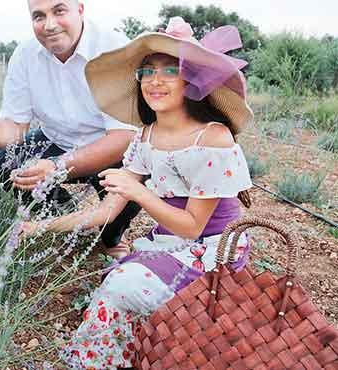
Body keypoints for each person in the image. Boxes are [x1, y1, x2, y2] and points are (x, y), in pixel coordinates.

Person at [23, 17, 255, 368]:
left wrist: (138, 191)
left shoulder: (213, 137)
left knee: (119, 286)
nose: (155, 81)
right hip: (170, 244)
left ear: (192, 81)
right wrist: (37, 229)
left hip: (211, 252)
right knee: (118, 285)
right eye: (147, 72)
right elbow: (105, 212)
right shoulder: (145, 137)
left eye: (170, 71)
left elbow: (193, 227)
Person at [0, 0, 140, 256]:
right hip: (57, 139)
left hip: (111, 146)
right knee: (6, 164)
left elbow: (123, 137)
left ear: (80, 9)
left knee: (133, 187)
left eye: (59, 11)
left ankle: (110, 238)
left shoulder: (114, 49)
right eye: (38, 16)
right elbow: (16, 129)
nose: (49, 25)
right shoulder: (25, 55)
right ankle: (65, 216)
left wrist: (57, 166)